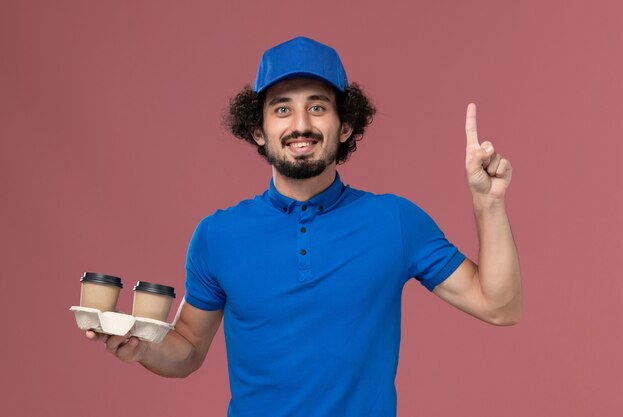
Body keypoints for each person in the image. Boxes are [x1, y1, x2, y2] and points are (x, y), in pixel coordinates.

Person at [86, 36, 521, 416]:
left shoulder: (395, 221)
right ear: (258, 129)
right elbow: (187, 349)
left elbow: (499, 306)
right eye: (282, 109)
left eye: (317, 107)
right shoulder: (217, 236)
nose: (301, 125)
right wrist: (142, 346)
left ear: (345, 125)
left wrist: (489, 203)